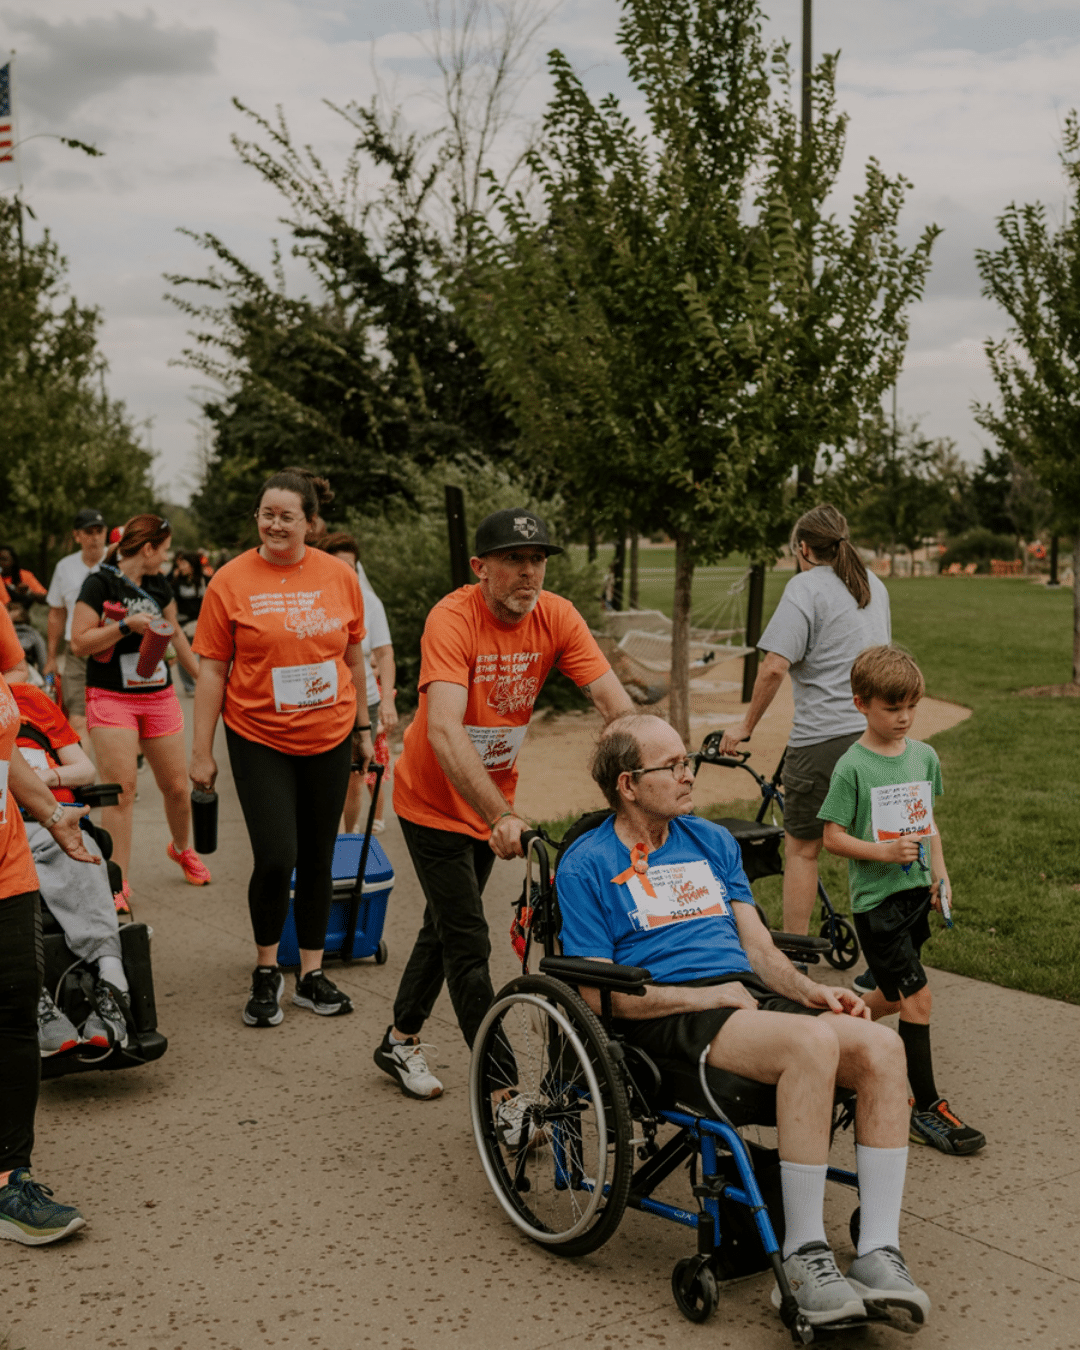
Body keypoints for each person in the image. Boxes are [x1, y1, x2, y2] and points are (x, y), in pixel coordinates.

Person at [557, 712, 931, 1329]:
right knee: (810, 1044)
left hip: (743, 997)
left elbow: (758, 948)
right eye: (673, 766)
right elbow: (597, 995)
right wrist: (701, 998)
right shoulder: (586, 864)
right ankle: (804, 1256)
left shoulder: (711, 841)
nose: (689, 774)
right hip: (668, 1011)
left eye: (687, 762)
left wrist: (814, 990)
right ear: (629, 785)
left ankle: (879, 1252)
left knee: (879, 1047)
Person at [375, 508, 634, 1101]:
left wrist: (648, 773)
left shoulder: (557, 615)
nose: (528, 572)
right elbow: (443, 729)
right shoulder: (452, 619)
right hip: (432, 800)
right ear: (480, 567)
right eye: (514, 559)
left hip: (493, 799)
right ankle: (503, 1095)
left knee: (445, 925)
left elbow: (616, 707)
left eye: (537, 559)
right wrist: (500, 816)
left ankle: (399, 1038)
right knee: (468, 939)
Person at [189, 470, 373, 1028]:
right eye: (266, 514)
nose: (274, 524)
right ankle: (267, 969)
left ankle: (311, 974)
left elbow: (353, 656)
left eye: (286, 516)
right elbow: (212, 670)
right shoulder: (229, 580)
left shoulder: (339, 576)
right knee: (276, 856)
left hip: (330, 734)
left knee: (318, 857)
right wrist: (202, 752)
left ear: (310, 523)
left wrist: (363, 728)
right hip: (259, 736)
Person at [818, 645, 985, 1157]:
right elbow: (831, 837)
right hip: (877, 906)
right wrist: (883, 852)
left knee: (891, 998)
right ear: (861, 703)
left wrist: (940, 876)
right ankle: (927, 1108)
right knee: (918, 997)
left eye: (912, 705)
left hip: (915, 898)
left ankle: (821, 1036)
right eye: (893, 708)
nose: (905, 717)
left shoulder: (923, 756)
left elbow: (927, 822)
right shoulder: (852, 767)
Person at [719, 504, 891, 934]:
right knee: (877, 849)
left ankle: (795, 955)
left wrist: (745, 727)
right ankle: (887, 953)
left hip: (822, 741)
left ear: (803, 548)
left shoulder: (804, 587)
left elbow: (775, 666)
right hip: (875, 737)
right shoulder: (874, 585)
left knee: (802, 850)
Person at [0, 668, 99, 1245]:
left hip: (7, 861)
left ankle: (9, 1183)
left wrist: (51, 813)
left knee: (15, 1010)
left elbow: (4, 748)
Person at [69, 514, 208, 915]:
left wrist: (206, 683)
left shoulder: (159, 584)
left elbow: (175, 633)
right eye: (163, 550)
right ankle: (118, 881)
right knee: (121, 792)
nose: (166, 558)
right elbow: (79, 643)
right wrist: (126, 627)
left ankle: (181, 849)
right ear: (147, 548)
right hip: (111, 696)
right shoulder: (99, 583)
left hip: (158, 695)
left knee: (177, 787)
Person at [11, 679, 131, 1052]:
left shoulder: (29, 699)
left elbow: (85, 770)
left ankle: (113, 981)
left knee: (81, 853)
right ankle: (33, 999)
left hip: (53, 817)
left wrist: (47, 779)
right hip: (5, 827)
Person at [321, 534, 398, 833]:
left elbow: (385, 653)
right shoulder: (309, 600)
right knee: (325, 775)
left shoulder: (369, 603)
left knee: (355, 775)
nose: (345, 574)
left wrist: (388, 701)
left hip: (363, 702)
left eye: (351, 567)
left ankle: (348, 837)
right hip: (321, 701)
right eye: (337, 566)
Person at [45, 508, 108, 745]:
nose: (95, 537)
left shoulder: (119, 563)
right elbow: (56, 614)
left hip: (112, 649)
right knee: (78, 718)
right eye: (89, 532)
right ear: (77, 536)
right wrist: (51, 657)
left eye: (99, 531)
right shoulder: (65, 567)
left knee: (113, 718)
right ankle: (83, 771)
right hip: (77, 651)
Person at [167, 551, 207, 696]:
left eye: (184, 563)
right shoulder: (176, 582)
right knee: (182, 654)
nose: (181, 566)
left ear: (193, 564)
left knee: (204, 655)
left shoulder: (205, 580)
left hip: (202, 623)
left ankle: (205, 682)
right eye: (180, 563)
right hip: (183, 624)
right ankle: (189, 686)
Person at [8, 602, 48, 678]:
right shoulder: (33, 634)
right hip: (23, 674)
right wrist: (46, 679)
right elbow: (43, 660)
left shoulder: (28, 634)